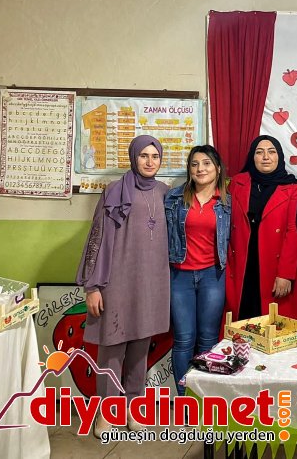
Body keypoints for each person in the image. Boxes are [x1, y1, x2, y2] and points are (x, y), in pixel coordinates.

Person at [76, 135, 169, 437]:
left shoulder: (166, 193)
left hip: (150, 284)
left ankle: (132, 408)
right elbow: (97, 238)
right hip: (116, 283)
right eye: (143, 155)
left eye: (155, 156)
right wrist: (93, 287)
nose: (149, 162)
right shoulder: (115, 190)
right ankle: (106, 413)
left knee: (140, 351)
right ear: (133, 157)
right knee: (112, 351)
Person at [164, 145, 231, 395]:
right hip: (179, 275)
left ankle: (204, 398)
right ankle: (185, 399)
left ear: (218, 169)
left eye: (206, 163)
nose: (200, 169)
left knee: (208, 338)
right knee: (183, 339)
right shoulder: (173, 198)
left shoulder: (226, 202)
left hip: (212, 276)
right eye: (194, 164)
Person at [227, 135, 297, 322]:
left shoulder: (294, 188)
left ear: (279, 156)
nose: (266, 157)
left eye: (271, 152)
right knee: (243, 321)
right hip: (243, 264)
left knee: (275, 324)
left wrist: (286, 274)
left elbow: (293, 232)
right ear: (252, 157)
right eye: (259, 152)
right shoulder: (237, 183)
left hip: (276, 264)